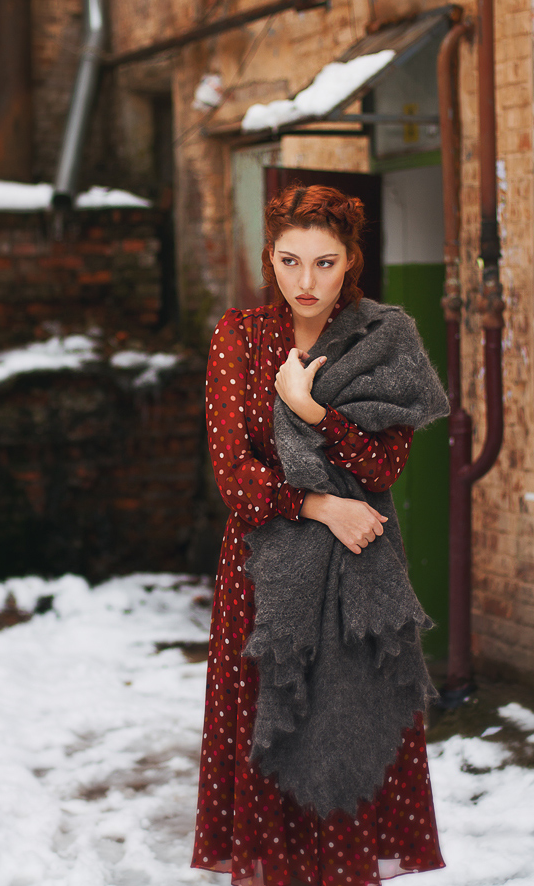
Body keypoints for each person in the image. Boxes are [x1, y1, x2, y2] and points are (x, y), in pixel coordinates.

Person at [191, 184, 446, 886]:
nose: (306, 282)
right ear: (268, 258)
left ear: (351, 260)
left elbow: (384, 462)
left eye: (325, 263)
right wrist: (322, 506)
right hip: (265, 582)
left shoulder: (380, 339)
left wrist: (309, 410)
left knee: (349, 738)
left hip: (359, 580)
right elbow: (235, 479)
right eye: (290, 260)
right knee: (273, 742)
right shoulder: (239, 336)